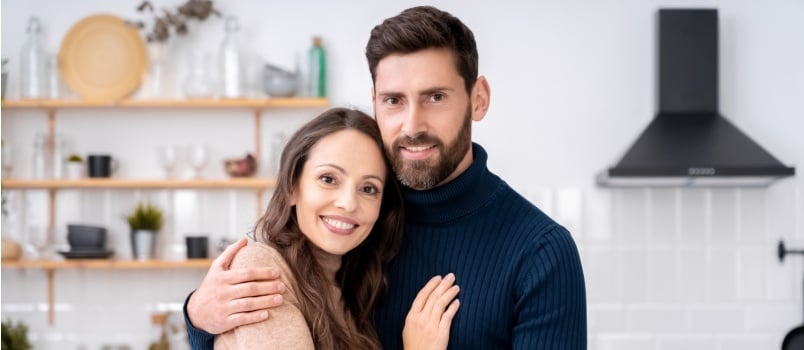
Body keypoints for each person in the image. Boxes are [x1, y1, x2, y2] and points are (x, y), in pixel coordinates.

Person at [185, 6, 587, 349]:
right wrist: (200, 316)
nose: (413, 125)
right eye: (394, 100)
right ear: (375, 100)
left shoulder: (541, 253)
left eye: (435, 97)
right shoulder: (354, 225)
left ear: (478, 99)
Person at [213, 107, 460, 349]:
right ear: (292, 187)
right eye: (328, 179)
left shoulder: (350, 291)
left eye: (368, 189)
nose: (348, 203)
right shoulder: (260, 268)